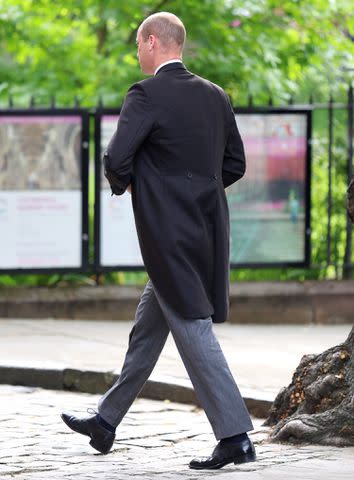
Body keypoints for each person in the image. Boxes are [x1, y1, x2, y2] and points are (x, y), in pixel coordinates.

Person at [61, 11, 256, 470]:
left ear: (152, 42)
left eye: (137, 44)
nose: (136, 52)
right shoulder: (215, 95)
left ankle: (236, 437)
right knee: (150, 325)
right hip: (206, 227)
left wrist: (138, 186)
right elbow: (236, 164)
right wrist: (194, 191)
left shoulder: (145, 93)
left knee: (192, 325)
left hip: (167, 232)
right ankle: (106, 420)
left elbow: (116, 157)